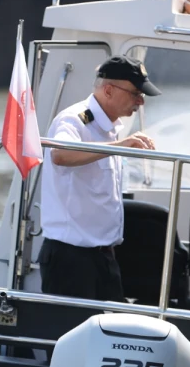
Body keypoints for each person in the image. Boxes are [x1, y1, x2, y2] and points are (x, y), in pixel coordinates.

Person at [38, 56, 160, 301]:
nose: (141, 101)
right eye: (136, 93)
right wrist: (118, 146)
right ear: (108, 90)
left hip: (102, 257)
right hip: (70, 260)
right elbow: (60, 154)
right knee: (73, 334)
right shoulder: (75, 119)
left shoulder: (110, 127)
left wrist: (117, 144)